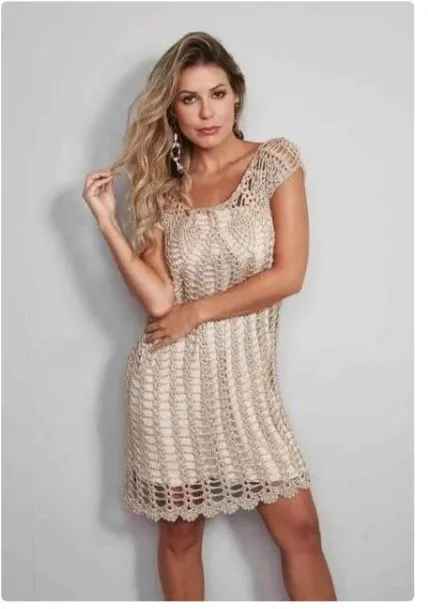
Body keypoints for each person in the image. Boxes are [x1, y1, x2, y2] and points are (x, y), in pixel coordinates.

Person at [82, 31, 337, 602]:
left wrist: (196, 312)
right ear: (171, 109)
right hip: (169, 385)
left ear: (236, 95)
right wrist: (108, 224)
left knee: (300, 531)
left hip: (246, 388)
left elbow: (288, 275)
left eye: (217, 94)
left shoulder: (275, 162)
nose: (206, 112)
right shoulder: (161, 189)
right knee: (180, 535)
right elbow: (158, 303)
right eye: (189, 99)